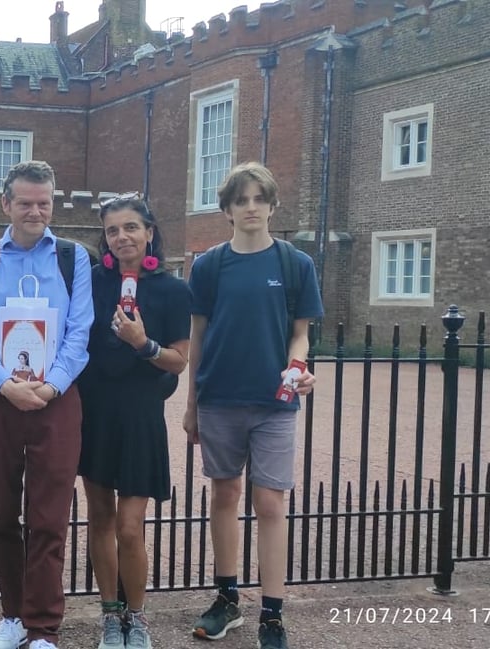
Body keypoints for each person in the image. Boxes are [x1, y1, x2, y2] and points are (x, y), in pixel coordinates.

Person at [184, 163, 321, 649]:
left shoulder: (294, 265)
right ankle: (227, 599)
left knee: (270, 503)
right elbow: (198, 336)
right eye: (240, 200)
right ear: (227, 209)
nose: (250, 207)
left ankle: (272, 613)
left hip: (274, 404)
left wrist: (300, 368)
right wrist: (191, 405)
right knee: (225, 496)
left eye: (259, 198)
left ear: (272, 205)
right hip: (219, 397)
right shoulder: (209, 265)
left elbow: (300, 334)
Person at [0, 160, 93, 649]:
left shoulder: (74, 258)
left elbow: (80, 333)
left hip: (56, 399)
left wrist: (52, 385)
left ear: (53, 203)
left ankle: (42, 628)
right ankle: (12, 614)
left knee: (49, 517)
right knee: (1, 512)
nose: (35, 211)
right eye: (25, 202)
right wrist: (3, 384)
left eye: (44, 203)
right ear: (6, 204)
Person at [77, 196, 191, 649]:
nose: (121, 237)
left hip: (141, 417)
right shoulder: (90, 283)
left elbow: (179, 362)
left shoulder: (172, 290)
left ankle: (137, 618)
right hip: (96, 412)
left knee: (129, 525)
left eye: (130, 227)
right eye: (111, 230)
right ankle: (110, 616)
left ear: (149, 232)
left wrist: (143, 344)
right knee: (100, 518)